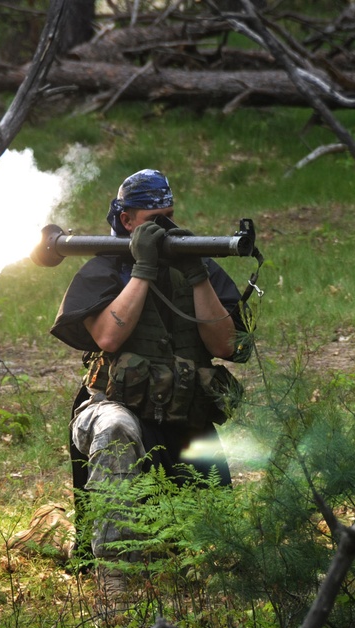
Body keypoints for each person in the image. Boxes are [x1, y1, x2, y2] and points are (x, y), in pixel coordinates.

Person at [49, 169, 252, 602]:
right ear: (126, 221)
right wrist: (142, 269)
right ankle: (115, 578)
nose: (165, 228)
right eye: (153, 219)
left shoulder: (199, 270)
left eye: (170, 216)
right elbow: (107, 337)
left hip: (183, 415)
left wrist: (196, 274)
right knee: (117, 431)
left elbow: (226, 344)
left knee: (211, 555)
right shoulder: (104, 268)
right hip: (113, 407)